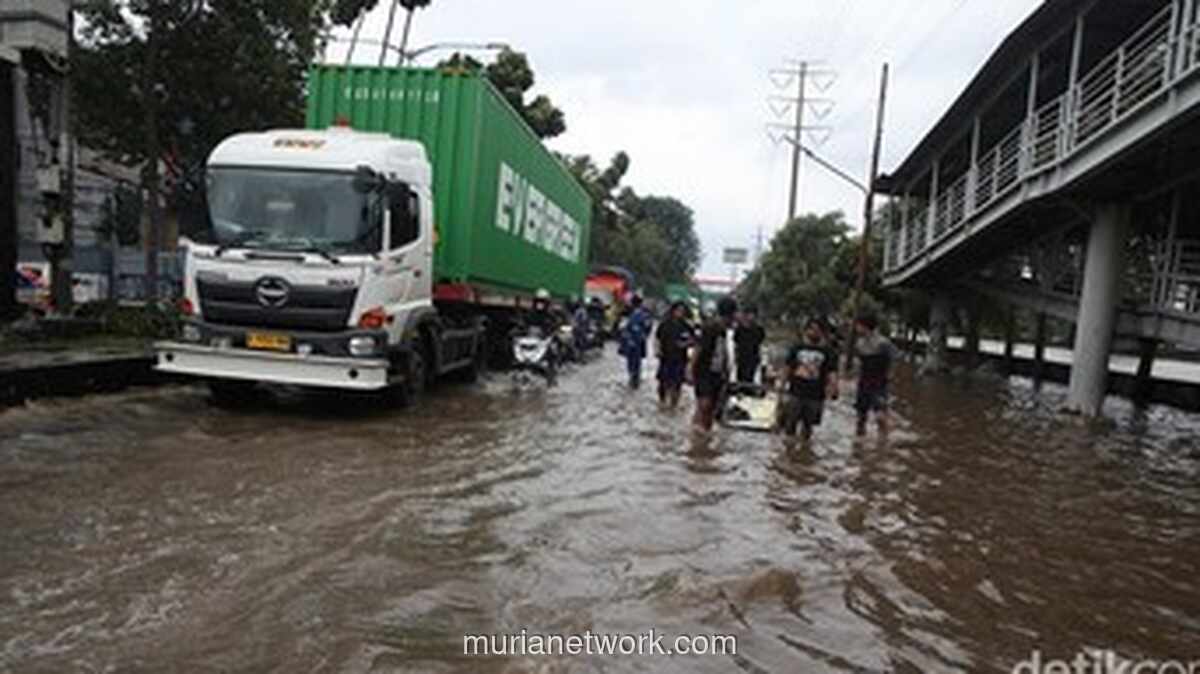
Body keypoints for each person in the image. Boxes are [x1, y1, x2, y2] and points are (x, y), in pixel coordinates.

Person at [780, 317, 839, 442]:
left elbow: (832, 372)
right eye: (811, 329)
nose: (814, 332)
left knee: (808, 427)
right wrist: (782, 387)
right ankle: (789, 453)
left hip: (815, 394)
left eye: (817, 330)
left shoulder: (828, 352)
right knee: (790, 425)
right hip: (795, 391)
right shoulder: (796, 348)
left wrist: (834, 387)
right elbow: (787, 368)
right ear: (806, 331)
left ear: (822, 333)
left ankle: (804, 452)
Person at [691, 296, 737, 432]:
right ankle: (696, 432)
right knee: (704, 404)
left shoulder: (722, 330)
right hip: (704, 371)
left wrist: (727, 370)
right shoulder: (710, 327)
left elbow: (723, 351)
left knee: (712, 407)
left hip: (717, 373)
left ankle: (704, 431)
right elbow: (698, 348)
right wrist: (689, 369)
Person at [854, 314, 901, 436]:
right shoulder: (859, 343)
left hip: (879, 383)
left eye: (858, 325)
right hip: (863, 382)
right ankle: (859, 443)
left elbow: (895, 357)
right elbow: (859, 362)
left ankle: (882, 442)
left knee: (880, 416)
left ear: (865, 326)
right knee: (860, 417)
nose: (856, 328)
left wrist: (891, 374)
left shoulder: (883, 342)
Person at [655, 301, 694, 409]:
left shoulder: (686, 326)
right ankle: (662, 401)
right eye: (678, 310)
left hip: (680, 358)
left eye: (682, 311)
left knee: (677, 383)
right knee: (663, 382)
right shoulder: (664, 324)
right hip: (665, 357)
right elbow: (657, 338)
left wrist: (685, 344)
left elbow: (694, 340)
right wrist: (657, 350)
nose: (679, 313)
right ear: (672, 311)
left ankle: (674, 404)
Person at [619, 294, 652, 389]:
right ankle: (634, 379)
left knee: (633, 361)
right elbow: (648, 328)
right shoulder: (643, 314)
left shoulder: (635, 314)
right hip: (636, 341)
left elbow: (623, 327)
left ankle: (633, 379)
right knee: (635, 362)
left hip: (634, 341)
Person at [733, 307, 767, 384]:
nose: (750, 317)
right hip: (741, 357)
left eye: (752, 314)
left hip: (753, 358)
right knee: (740, 377)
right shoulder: (739, 329)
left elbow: (761, 343)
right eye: (748, 314)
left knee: (751, 378)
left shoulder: (759, 329)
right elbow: (736, 342)